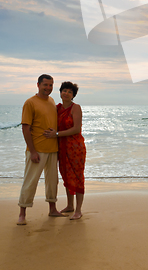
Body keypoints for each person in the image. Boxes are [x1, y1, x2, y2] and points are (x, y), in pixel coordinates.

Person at [17, 74, 66, 225]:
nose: (48, 88)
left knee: (52, 182)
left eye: (51, 85)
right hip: (37, 150)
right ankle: (22, 213)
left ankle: (52, 208)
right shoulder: (30, 103)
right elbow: (26, 128)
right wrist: (32, 151)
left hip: (52, 149)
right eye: (45, 85)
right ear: (38, 85)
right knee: (30, 182)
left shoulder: (52, 101)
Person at [44, 81, 86, 220]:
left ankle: (78, 210)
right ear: (60, 93)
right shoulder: (56, 108)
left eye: (69, 92)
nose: (66, 93)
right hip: (61, 147)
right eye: (64, 91)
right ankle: (70, 205)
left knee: (77, 177)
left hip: (75, 147)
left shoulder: (76, 108)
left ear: (73, 95)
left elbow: (75, 129)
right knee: (67, 176)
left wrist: (56, 134)